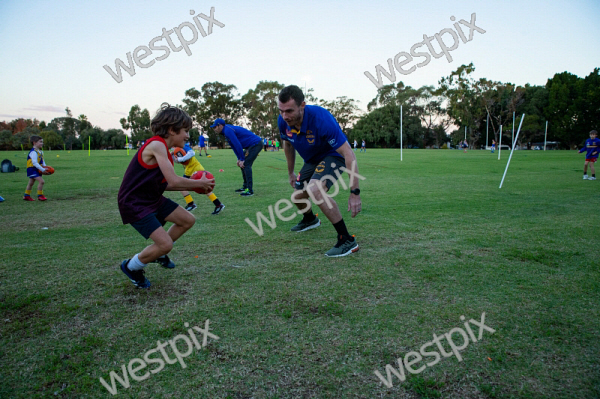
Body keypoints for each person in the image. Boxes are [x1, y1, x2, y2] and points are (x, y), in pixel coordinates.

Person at [117, 104, 215, 288]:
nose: (187, 136)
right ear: (172, 130)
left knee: (187, 220)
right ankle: (131, 266)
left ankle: (159, 254)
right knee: (165, 244)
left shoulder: (166, 152)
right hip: (135, 203)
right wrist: (199, 184)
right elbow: (175, 181)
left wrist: (195, 187)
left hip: (151, 198)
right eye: (185, 130)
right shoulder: (156, 145)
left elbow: (166, 184)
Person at [278, 85, 361, 257]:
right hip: (312, 160)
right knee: (297, 197)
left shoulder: (321, 119)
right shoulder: (283, 121)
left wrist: (355, 192)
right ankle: (310, 220)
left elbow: (348, 154)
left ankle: (346, 239)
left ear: (302, 105)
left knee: (315, 190)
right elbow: (287, 144)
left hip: (332, 156)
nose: (285, 116)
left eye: (289, 111)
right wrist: (290, 172)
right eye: (281, 111)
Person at [210, 118, 262, 196]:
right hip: (250, 146)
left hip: (256, 144)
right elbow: (233, 146)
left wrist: (242, 159)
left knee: (246, 164)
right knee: (242, 164)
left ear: (220, 126)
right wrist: (239, 158)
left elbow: (237, 145)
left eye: (215, 127)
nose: (214, 129)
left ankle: (250, 190)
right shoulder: (226, 131)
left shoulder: (228, 130)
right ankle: (245, 187)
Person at [173, 142, 225, 214]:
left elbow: (192, 153)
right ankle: (191, 203)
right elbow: (180, 160)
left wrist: (180, 159)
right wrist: (176, 159)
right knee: (181, 186)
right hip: (189, 170)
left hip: (196, 169)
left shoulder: (184, 145)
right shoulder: (175, 148)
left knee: (204, 188)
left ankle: (218, 204)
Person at [24, 135, 50, 201]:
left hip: (37, 169)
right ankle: (40, 195)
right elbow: (34, 163)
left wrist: (45, 167)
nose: (42, 143)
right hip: (32, 169)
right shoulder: (33, 152)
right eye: (40, 142)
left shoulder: (40, 152)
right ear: (34, 143)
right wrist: (43, 169)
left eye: (42, 142)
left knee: (31, 183)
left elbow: (42, 161)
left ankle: (26, 195)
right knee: (41, 181)